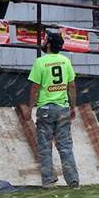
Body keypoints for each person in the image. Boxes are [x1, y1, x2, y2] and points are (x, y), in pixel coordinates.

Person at [26, 29, 79, 188]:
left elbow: (35, 88)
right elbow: (71, 86)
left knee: (45, 146)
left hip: (45, 109)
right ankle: (73, 180)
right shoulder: (65, 61)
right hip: (63, 108)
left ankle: (48, 180)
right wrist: (73, 107)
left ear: (49, 44)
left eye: (46, 40)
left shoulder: (40, 62)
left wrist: (30, 108)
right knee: (65, 146)